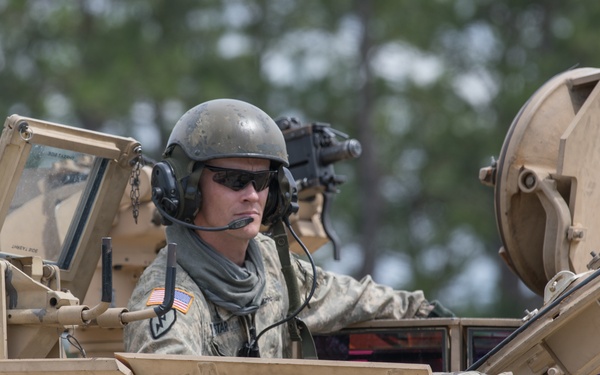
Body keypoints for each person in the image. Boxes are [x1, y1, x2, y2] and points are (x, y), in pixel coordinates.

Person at [123, 98, 451, 358]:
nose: (252, 195)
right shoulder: (169, 300)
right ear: (187, 190)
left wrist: (424, 311)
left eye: (263, 181)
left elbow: (348, 297)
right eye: (235, 180)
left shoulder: (271, 264)